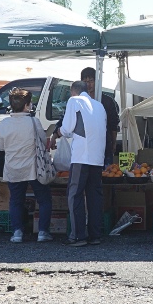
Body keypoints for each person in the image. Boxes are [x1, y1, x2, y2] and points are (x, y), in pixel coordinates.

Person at [0, 88, 53, 244]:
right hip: (34, 167)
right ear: (27, 105)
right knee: (44, 199)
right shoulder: (34, 122)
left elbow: (0, 146)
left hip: (13, 167)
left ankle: (17, 233)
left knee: (16, 200)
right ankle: (43, 232)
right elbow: (43, 141)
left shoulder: (4, 124)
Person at [54, 80, 107, 247]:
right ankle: (95, 235)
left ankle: (78, 237)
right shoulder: (99, 106)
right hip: (97, 158)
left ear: (73, 91)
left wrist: (58, 132)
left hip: (81, 157)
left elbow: (67, 128)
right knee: (94, 196)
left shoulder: (74, 101)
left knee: (75, 195)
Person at [81, 67, 121, 166]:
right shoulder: (79, 102)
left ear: (97, 82)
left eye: (91, 81)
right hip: (85, 146)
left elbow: (113, 125)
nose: (88, 84)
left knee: (107, 172)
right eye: (85, 81)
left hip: (104, 145)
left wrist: (113, 143)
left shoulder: (108, 101)